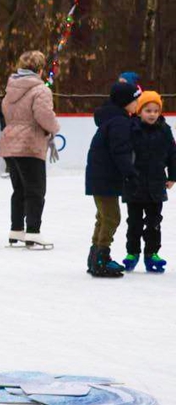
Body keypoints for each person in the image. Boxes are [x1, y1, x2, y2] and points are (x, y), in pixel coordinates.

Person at [0, 50, 61, 249]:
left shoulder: (11, 88)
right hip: (29, 143)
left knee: (19, 189)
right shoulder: (41, 90)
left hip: (10, 142)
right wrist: (54, 128)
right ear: (40, 69)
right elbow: (44, 115)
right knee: (36, 190)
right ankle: (33, 231)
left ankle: (16, 228)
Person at [84, 81, 141, 277]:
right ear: (125, 101)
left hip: (100, 176)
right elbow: (120, 151)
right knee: (111, 217)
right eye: (135, 100)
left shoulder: (114, 119)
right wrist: (130, 173)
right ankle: (101, 257)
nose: (138, 104)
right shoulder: (119, 122)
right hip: (105, 177)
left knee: (103, 216)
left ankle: (95, 256)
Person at [122, 90, 174, 273]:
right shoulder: (131, 129)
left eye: (155, 111)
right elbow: (124, 154)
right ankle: (132, 252)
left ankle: (152, 253)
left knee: (154, 222)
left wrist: (173, 176)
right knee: (134, 222)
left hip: (156, 184)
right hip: (134, 184)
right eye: (148, 110)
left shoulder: (165, 130)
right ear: (139, 111)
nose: (152, 114)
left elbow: (172, 155)